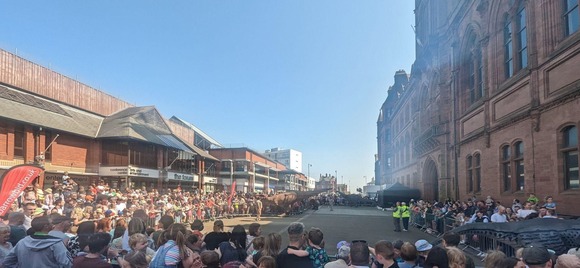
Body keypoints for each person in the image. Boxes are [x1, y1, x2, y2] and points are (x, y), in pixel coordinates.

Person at [3, 216, 72, 268]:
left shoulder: (22, 242)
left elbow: (7, 262)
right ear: (46, 226)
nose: (53, 225)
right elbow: (67, 263)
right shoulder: (56, 243)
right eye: (51, 223)